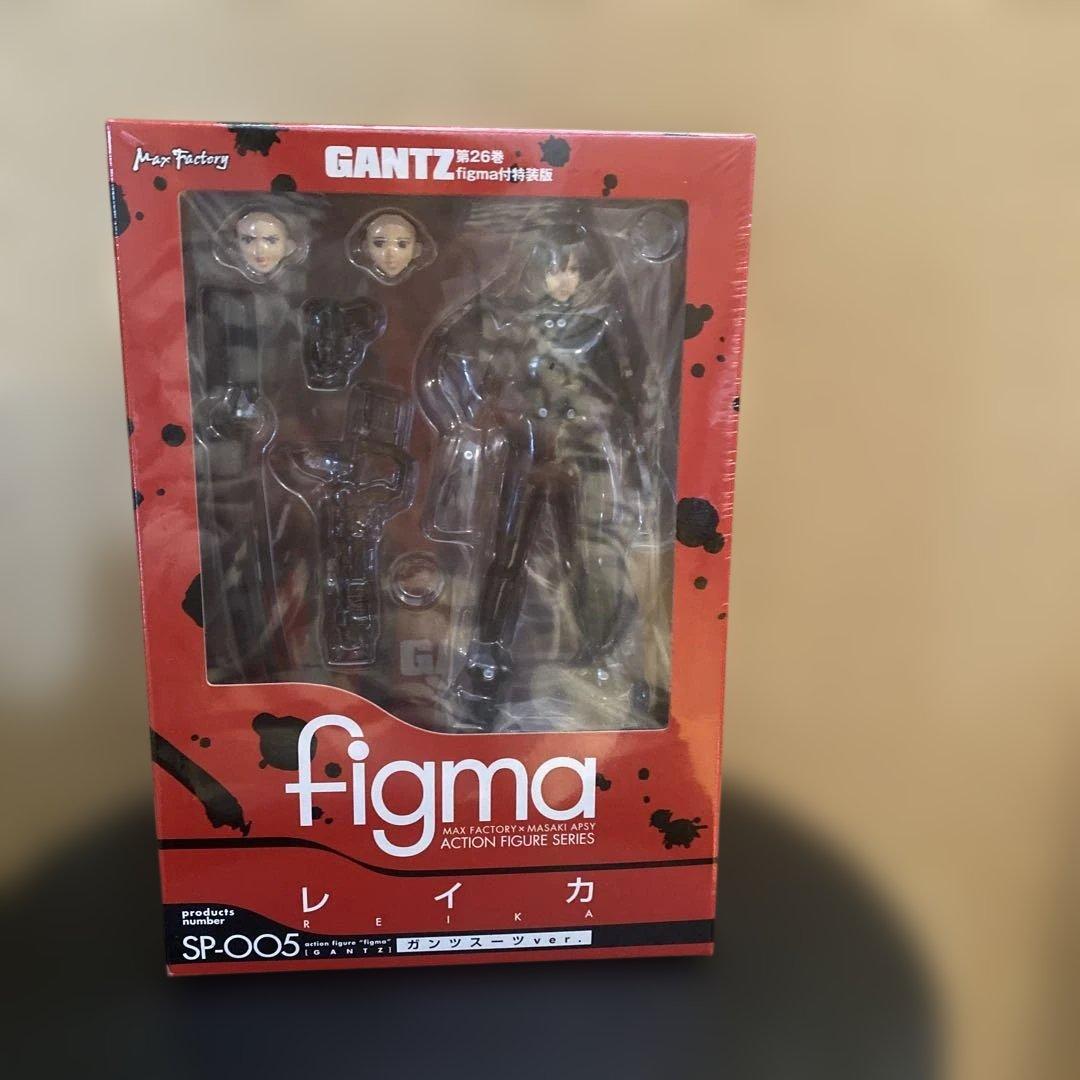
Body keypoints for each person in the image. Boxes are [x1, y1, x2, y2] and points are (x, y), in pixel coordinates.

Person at [417, 220, 646, 728]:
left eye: (573, 270)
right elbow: (468, 368)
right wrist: (468, 415)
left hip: (577, 461)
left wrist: (619, 445)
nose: (564, 280)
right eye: (554, 270)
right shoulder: (513, 325)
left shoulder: (596, 331)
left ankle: (598, 652)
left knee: (584, 557)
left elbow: (621, 399)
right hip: (524, 457)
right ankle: (486, 655)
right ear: (536, 272)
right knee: (505, 559)